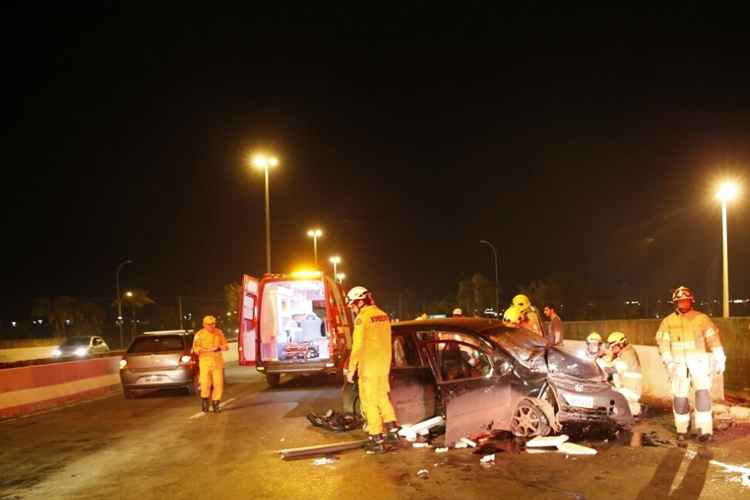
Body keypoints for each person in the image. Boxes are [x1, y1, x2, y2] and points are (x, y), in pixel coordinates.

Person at [656, 286, 725, 444]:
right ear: (676, 302)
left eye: (686, 300)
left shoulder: (702, 319)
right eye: (680, 301)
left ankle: (704, 430)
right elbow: (663, 344)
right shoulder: (667, 322)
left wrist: (720, 358)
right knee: (680, 398)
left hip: (698, 365)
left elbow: (713, 340)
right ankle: (681, 428)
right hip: (678, 366)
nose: (683, 303)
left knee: (702, 398)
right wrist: (669, 362)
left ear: (691, 301)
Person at [345, 286, 398, 454]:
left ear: (360, 302)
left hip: (368, 367)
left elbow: (358, 346)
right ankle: (392, 431)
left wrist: (351, 369)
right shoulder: (383, 315)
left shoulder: (363, 318)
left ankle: (376, 439)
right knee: (382, 397)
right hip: (383, 366)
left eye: (353, 305)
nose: (353, 309)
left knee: (369, 402)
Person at [192, 315, 229, 413]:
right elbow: (195, 349)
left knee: (218, 384)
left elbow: (226, 346)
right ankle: (205, 402)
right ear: (204, 324)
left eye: (213, 324)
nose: (211, 326)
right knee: (205, 383)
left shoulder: (219, 333)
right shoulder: (199, 334)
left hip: (217, 363)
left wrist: (219, 348)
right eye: (209, 324)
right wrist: (203, 350)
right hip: (205, 363)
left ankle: (216, 403)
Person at [607, 332, 643, 417]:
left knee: (608, 394)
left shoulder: (628, 355)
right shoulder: (626, 352)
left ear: (621, 344)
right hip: (629, 389)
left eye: (614, 346)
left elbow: (613, 369)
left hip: (630, 391)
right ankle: (634, 410)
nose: (612, 349)